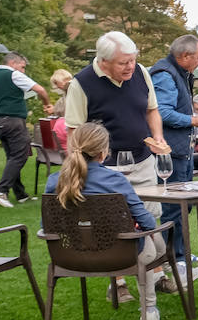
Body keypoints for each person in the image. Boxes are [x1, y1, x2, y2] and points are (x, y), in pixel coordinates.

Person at [46, 123, 170, 320]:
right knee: (152, 246)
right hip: (119, 253)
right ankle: (149, 307)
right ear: (103, 152)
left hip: (70, 256)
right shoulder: (114, 179)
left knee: (149, 245)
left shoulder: (54, 181)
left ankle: (135, 286)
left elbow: (48, 225)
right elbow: (146, 221)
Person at [63, 31, 172, 209]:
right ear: (104, 61)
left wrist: (158, 136)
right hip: (105, 169)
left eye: (132, 60)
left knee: (150, 219)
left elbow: (152, 110)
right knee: (114, 224)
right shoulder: (81, 84)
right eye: (123, 63)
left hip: (143, 163)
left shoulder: (141, 72)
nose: (130, 66)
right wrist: (79, 171)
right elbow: (74, 132)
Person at [150, 35, 198, 268]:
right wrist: (192, 120)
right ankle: (172, 257)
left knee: (181, 206)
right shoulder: (165, 75)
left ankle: (180, 254)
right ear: (184, 56)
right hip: (170, 152)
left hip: (179, 151)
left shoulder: (178, 73)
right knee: (173, 207)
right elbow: (161, 112)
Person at [0, 51, 51, 207]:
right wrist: (47, 104)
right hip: (13, 122)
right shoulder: (13, 75)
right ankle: (0, 191)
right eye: (23, 67)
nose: (23, 71)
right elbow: (40, 90)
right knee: (21, 155)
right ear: (13, 63)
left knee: (12, 158)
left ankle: (20, 194)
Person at [48, 69, 73, 148]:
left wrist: (54, 110)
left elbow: (68, 110)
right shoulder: (65, 94)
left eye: (56, 83)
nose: (57, 86)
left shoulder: (73, 90)